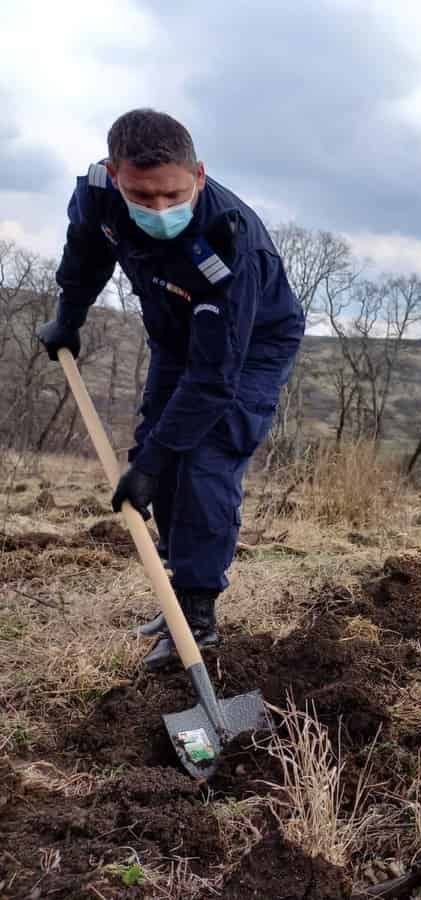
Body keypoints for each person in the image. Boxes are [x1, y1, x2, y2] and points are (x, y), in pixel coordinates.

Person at [36, 109, 304, 672]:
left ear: (199, 176)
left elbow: (213, 380)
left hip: (248, 346)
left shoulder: (231, 245)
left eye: (173, 195)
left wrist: (154, 463)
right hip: (175, 332)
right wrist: (69, 317)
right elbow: (85, 253)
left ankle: (198, 618)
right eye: (143, 196)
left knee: (204, 456)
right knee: (156, 443)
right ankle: (177, 599)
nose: (160, 209)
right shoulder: (99, 196)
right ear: (115, 175)